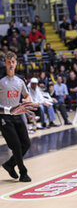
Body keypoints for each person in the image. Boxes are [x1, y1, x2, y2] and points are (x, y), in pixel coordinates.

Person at [0, 52, 36, 182]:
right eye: (8, 62)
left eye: (13, 62)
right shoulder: (1, 80)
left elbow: (26, 95)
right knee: (16, 145)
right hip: (4, 116)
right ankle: (23, 172)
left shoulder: (20, 81)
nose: (11, 64)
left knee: (25, 144)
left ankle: (9, 165)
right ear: (4, 63)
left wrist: (27, 102)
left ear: (16, 63)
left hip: (18, 115)